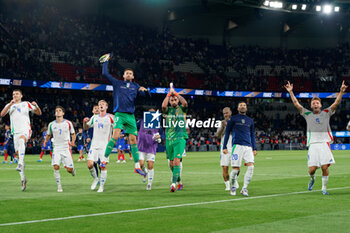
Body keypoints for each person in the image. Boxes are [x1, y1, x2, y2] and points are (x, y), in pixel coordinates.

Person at [285, 81, 348, 195]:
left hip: (324, 143)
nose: (315, 105)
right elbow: (296, 104)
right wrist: (291, 92)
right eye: (313, 103)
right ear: (311, 106)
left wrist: (341, 91)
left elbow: (336, 103)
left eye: (317, 103)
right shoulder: (307, 114)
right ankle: (313, 179)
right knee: (312, 170)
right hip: (313, 144)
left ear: (320, 105)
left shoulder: (326, 112)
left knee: (324, 167)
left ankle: (324, 188)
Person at [100, 53, 148, 176]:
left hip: (130, 116)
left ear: (133, 76)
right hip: (119, 114)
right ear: (123, 75)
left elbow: (145, 96)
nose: (128, 74)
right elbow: (105, 74)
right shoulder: (117, 83)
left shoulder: (136, 86)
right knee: (115, 135)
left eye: (130, 73)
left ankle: (137, 166)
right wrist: (105, 62)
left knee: (133, 140)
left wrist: (145, 91)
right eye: (126, 73)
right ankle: (104, 160)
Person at [0, 89, 42, 191]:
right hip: (15, 133)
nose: (15, 95)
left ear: (21, 95)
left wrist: (36, 106)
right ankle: (23, 179)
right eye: (13, 94)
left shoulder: (25, 104)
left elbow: (39, 113)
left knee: (22, 140)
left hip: (25, 130)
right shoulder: (10, 105)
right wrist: (10, 104)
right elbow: (2, 114)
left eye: (17, 94)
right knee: (19, 153)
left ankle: (19, 163)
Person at [223, 101, 257, 197]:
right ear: (238, 108)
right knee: (235, 170)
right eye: (241, 105)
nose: (242, 107)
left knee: (251, 167)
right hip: (237, 146)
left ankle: (244, 188)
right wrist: (224, 146)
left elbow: (252, 135)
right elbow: (227, 133)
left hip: (248, 147)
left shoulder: (250, 121)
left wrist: (254, 148)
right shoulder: (233, 119)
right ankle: (233, 186)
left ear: (246, 108)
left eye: (244, 105)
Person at [162, 84, 188, 192]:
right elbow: (163, 106)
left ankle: (173, 184)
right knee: (171, 164)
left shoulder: (182, 109)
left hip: (180, 138)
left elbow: (185, 103)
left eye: (175, 100)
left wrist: (176, 94)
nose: (173, 101)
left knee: (177, 161)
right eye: (171, 100)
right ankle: (178, 181)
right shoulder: (167, 110)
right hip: (169, 139)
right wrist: (169, 95)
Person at [83, 100, 114, 192]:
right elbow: (86, 128)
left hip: (105, 146)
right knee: (89, 165)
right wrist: (84, 122)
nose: (101, 105)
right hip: (94, 145)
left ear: (106, 107)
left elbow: (119, 126)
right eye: (100, 104)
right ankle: (96, 178)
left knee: (103, 166)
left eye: (103, 104)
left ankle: (102, 186)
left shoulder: (111, 117)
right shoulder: (94, 117)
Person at [44, 106, 76, 192]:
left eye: (60, 110)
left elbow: (73, 134)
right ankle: (59, 186)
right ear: (55, 113)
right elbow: (48, 135)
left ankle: (72, 170)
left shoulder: (68, 123)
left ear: (63, 113)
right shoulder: (51, 124)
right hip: (57, 148)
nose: (58, 112)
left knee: (69, 170)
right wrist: (45, 142)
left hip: (66, 148)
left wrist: (73, 141)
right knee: (56, 166)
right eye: (56, 111)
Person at [137, 108, 162, 190]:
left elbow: (159, 137)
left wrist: (158, 138)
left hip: (151, 147)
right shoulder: (141, 121)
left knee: (150, 165)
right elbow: (133, 128)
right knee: (141, 164)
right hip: (141, 146)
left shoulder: (157, 124)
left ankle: (149, 184)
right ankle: (145, 173)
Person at [216, 107, 239, 191]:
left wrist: (229, 126)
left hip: (235, 147)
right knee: (225, 167)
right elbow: (217, 135)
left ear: (231, 113)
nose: (225, 114)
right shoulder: (222, 123)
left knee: (236, 167)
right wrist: (222, 127)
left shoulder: (236, 121)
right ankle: (227, 185)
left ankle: (234, 180)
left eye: (227, 113)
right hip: (225, 148)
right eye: (224, 113)